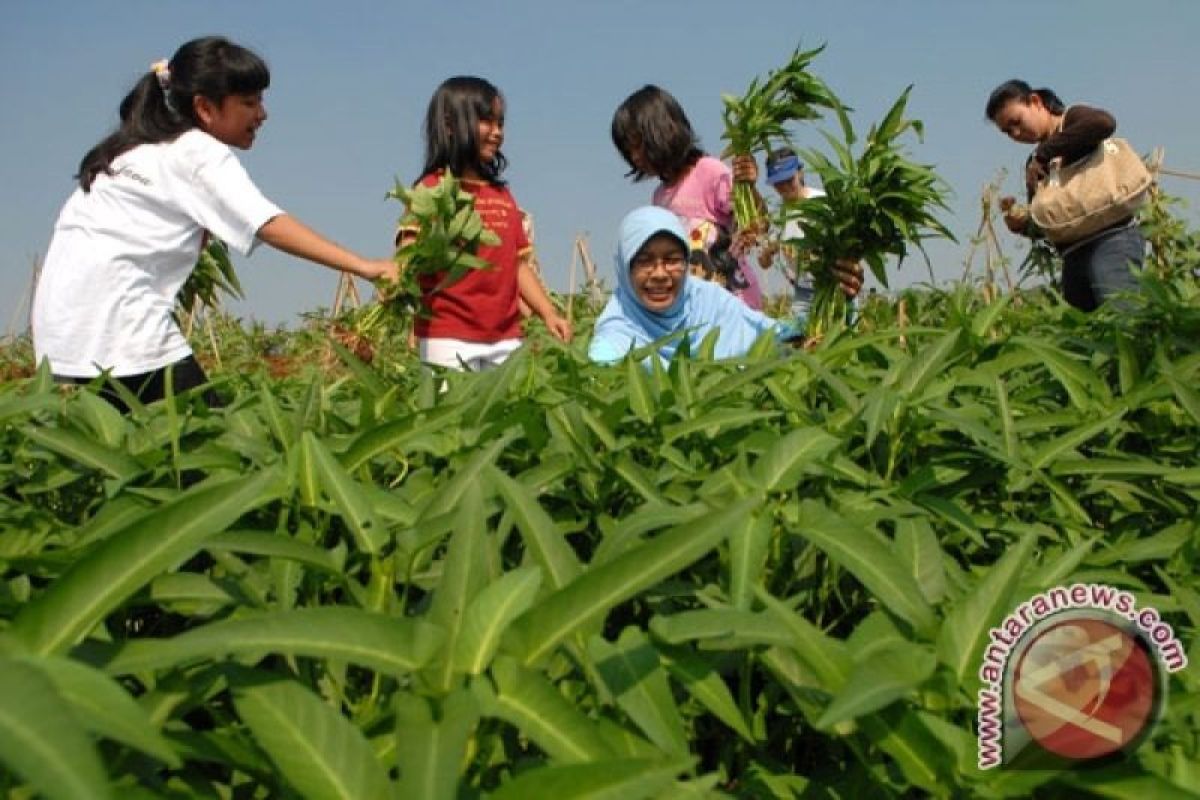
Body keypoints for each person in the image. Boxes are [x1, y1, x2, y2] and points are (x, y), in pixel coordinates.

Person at [31, 36, 399, 411]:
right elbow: (266, 222)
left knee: (125, 458)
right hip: (121, 329)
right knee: (216, 447)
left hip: (64, 334)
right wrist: (366, 267)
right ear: (205, 108)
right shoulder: (196, 151)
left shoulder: (131, 151)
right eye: (249, 102)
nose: (263, 114)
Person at [397, 76, 571, 371]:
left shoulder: (502, 195)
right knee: (454, 415)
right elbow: (407, 255)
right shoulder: (432, 189)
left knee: (505, 415)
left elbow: (517, 265)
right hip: (446, 336)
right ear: (450, 125)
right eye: (486, 122)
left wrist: (548, 312)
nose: (496, 132)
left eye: (500, 123)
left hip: (506, 337)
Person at [589, 207, 861, 365]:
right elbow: (601, 370)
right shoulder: (617, 333)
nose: (660, 274)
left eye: (672, 259)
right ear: (624, 269)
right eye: (645, 261)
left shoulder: (708, 300)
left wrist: (842, 297)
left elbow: (779, 337)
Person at [985, 79, 1144, 311]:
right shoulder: (1035, 164)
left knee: (1123, 322)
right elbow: (1046, 224)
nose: (1016, 133)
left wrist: (1045, 153)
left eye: (1016, 122)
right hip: (1073, 255)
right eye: (1008, 131)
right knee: (1086, 335)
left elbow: (1103, 122)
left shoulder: (1072, 120)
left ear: (1035, 102)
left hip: (1112, 238)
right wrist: (1021, 224)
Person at [611, 85, 766, 310]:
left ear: (665, 131)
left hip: (732, 301)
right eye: (629, 151)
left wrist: (749, 189)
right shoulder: (660, 197)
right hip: (693, 306)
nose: (635, 157)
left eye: (639, 146)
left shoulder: (710, 172)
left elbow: (757, 223)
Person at [757, 148, 826, 324]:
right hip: (803, 292)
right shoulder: (779, 215)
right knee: (796, 342)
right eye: (778, 183)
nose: (785, 188)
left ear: (800, 172)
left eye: (789, 180)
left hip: (831, 286)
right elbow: (764, 264)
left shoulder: (823, 203)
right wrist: (766, 254)